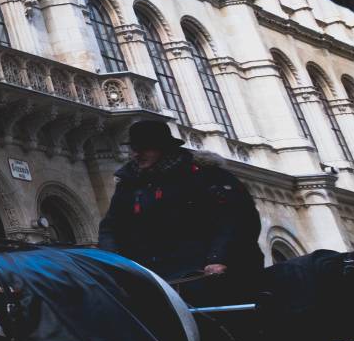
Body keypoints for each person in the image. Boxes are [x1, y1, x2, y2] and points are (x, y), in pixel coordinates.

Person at [97, 118, 264, 291]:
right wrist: (112, 261)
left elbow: (236, 220)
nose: (136, 155)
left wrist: (218, 258)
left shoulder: (206, 176)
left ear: (163, 148)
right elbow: (111, 227)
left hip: (203, 272)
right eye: (134, 149)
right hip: (153, 277)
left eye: (144, 149)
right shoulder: (129, 183)